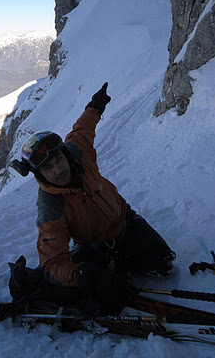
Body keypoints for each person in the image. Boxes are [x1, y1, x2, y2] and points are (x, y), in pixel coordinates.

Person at [10, 82, 175, 312]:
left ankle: (121, 263)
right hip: (94, 247)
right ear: (40, 174)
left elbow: (83, 128)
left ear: (65, 154)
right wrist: (82, 275)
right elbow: (52, 262)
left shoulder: (77, 153)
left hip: (126, 223)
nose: (58, 170)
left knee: (164, 263)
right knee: (104, 296)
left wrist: (96, 105)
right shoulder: (50, 207)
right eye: (48, 168)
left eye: (58, 159)